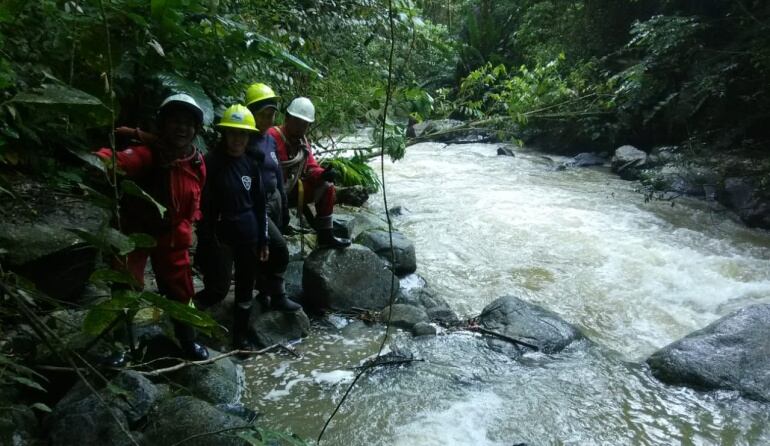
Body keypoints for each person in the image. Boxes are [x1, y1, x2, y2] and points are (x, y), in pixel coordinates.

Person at [95, 93, 209, 360]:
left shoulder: (196, 160)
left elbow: (198, 192)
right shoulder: (147, 154)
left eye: (188, 123)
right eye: (175, 121)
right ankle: (120, 346)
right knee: (125, 284)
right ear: (163, 124)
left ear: (196, 129)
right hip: (137, 232)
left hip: (173, 234)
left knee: (181, 290)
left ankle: (187, 340)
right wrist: (98, 161)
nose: (182, 128)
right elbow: (120, 160)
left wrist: (192, 224)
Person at [194, 104, 279, 350]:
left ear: (249, 136)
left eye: (242, 134)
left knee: (245, 288)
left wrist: (263, 239)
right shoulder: (210, 163)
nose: (237, 139)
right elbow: (204, 207)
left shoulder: (251, 164)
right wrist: (206, 241)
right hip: (220, 236)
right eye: (232, 133)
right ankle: (184, 315)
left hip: (249, 236)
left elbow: (260, 204)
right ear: (224, 134)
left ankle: (240, 337)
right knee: (218, 290)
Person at [244, 83, 301, 311]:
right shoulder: (243, 140)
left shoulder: (268, 138)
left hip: (274, 197)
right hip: (256, 205)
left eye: (271, 114)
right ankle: (278, 295)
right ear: (251, 114)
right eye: (264, 114)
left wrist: (285, 204)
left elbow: (276, 170)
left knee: (265, 250)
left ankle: (264, 292)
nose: (269, 119)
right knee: (279, 250)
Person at [267, 97, 351, 249]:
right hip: (273, 193)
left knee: (327, 186)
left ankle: (325, 235)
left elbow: (311, 167)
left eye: (304, 124)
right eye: (297, 122)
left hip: (292, 192)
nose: (301, 127)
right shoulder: (272, 136)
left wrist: (323, 174)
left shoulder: (303, 143)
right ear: (287, 118)